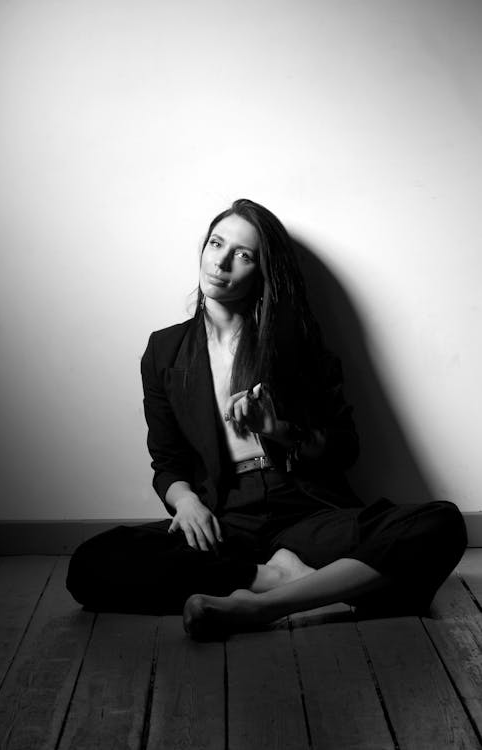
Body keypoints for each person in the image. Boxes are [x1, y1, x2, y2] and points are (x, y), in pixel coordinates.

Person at [66, 198, 467, 640]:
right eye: (216, 243)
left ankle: (263, 606)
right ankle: (278, 579)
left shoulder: (297, 345)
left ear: (263, 271)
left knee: (442, 525)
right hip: (225, 514)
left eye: (243, 255)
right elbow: (167, 461)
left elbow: (344, 448)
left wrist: (277, 429)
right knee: (91, 563)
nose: (221, 261)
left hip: (301, 508)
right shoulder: (165, 351)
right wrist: (187, 503)